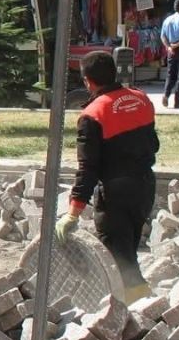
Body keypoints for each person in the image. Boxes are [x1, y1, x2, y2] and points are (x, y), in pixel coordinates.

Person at [54, 51, 160, 303]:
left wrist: (73, 212)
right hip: (145, 187)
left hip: (116, 194)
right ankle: (138, 305)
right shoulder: (141, 99)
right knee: (128, 251)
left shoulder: (93, 114)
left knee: (119, 260)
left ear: (88, 81)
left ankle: (139, 308)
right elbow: (152, 144)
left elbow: (87, 168)